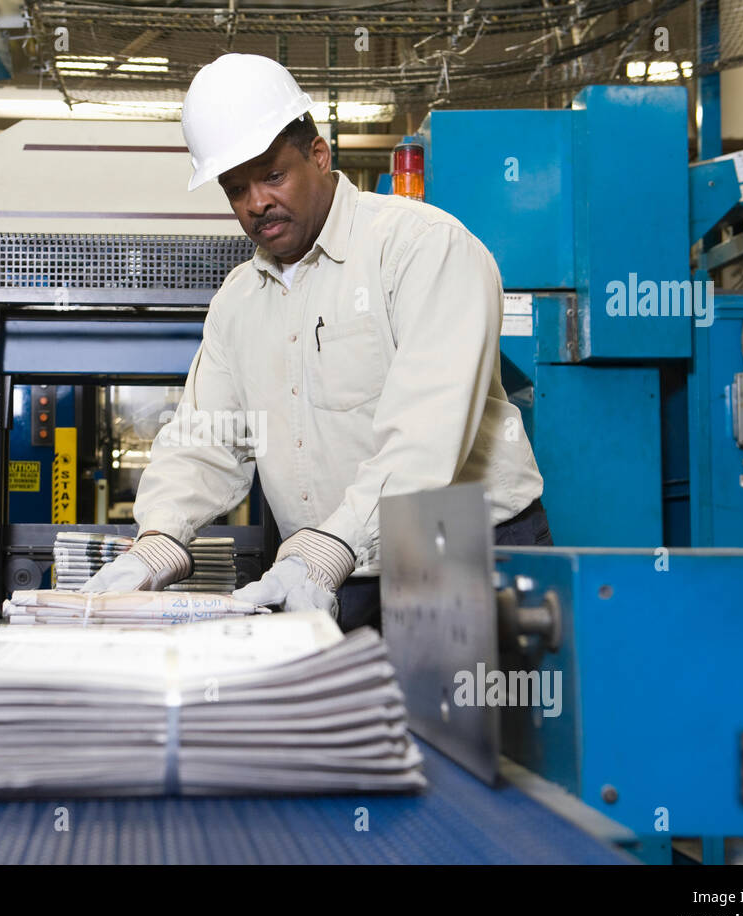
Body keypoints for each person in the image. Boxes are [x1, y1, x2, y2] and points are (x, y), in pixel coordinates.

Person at [83, 53, 549, 630]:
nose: (255, 203)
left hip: (463, 554)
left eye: (272, 175)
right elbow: (207, 438)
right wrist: (158, 538)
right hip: (323, 569)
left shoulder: (423, 249)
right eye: (236, 189)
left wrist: (330, 548)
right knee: (334, 719)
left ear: (319, 156)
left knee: (466, 719)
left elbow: (426, 440)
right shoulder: (238, 301)